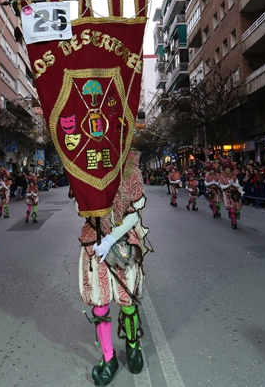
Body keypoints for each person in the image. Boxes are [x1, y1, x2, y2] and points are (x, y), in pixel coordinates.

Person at [80, 152, 150, 386]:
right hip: (94, 240)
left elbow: (134, 213)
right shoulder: (83, 165)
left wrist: (111, 238)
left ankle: (132, 347)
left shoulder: (130, 169)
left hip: (120, 241)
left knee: (127, 300)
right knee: (100, 303)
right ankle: (109, 358)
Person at [219, 159, 244, 229]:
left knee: (237, 210)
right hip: (226, 194)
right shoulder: (222, 176)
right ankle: (234, 223)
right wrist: (228, 185)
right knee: (231, 209)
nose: (227, 169)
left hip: (234, 193)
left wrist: (233, 184)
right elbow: (221, 186)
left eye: (229, 168)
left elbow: (238, 185)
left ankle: (235, 216)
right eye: (226, 168)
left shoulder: (234, 176)